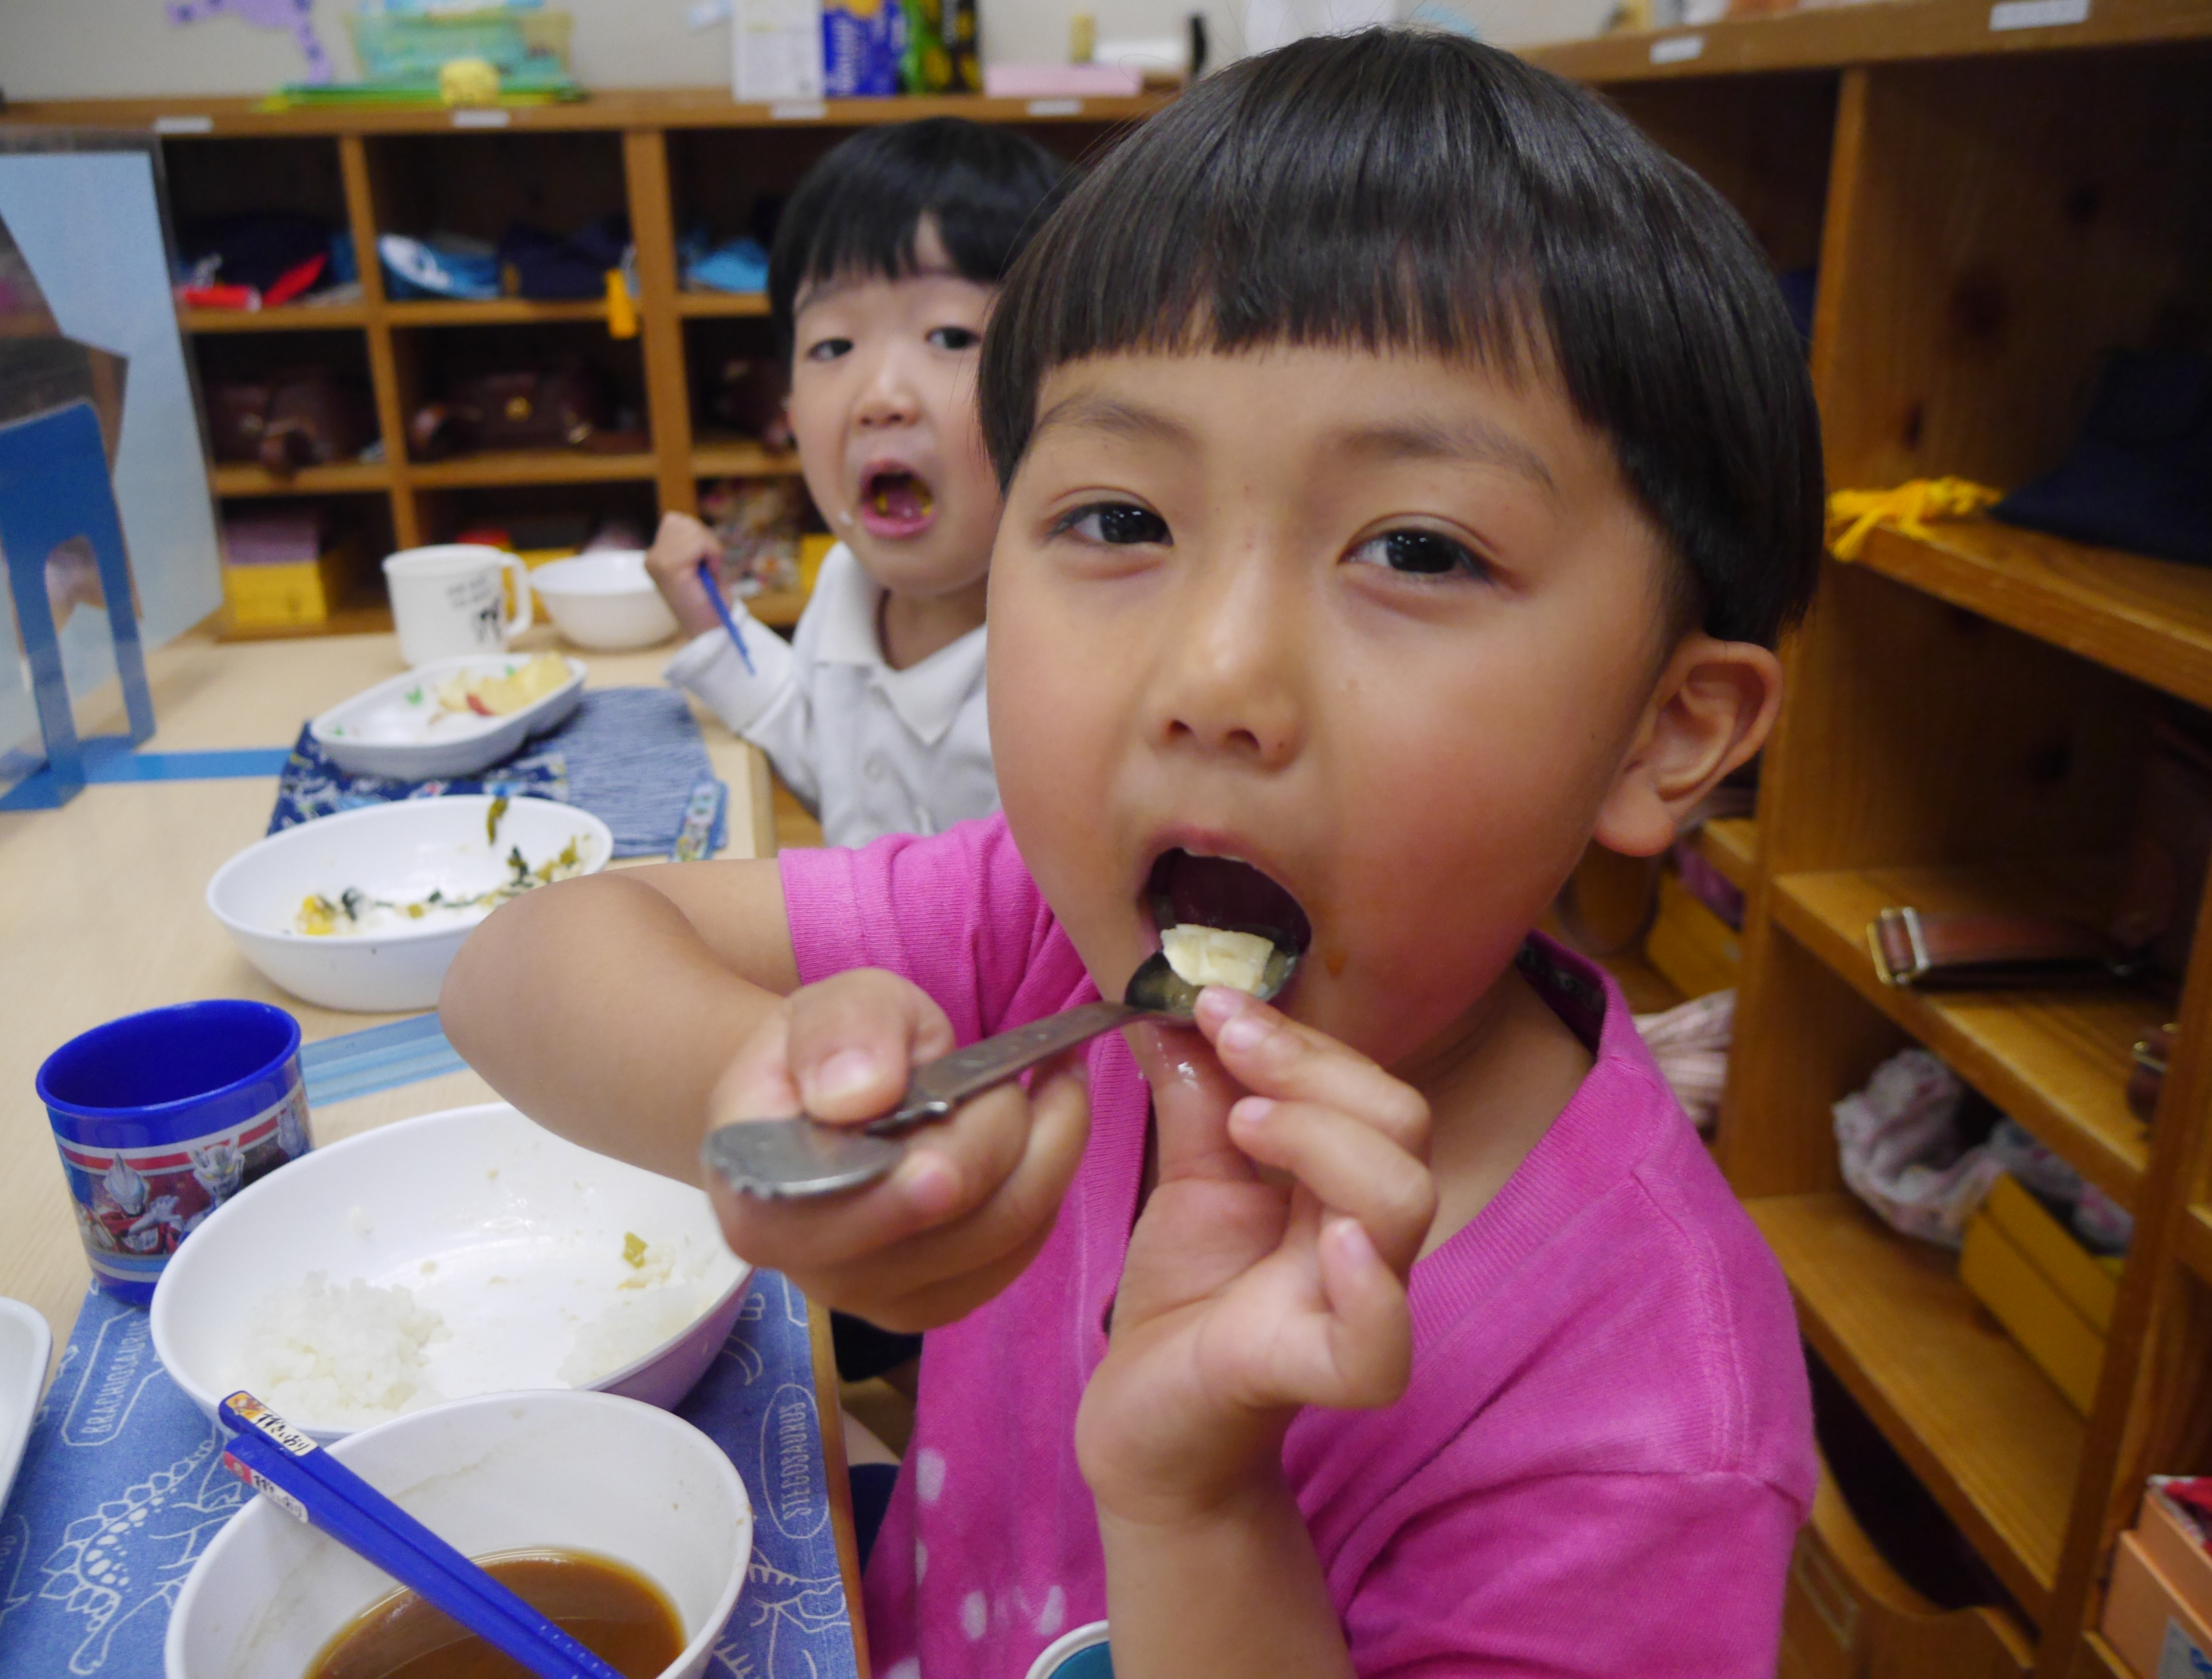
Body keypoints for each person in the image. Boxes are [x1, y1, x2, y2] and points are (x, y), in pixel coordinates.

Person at [445, 30, 1825, 1678]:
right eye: (1118, 519)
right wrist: (735, 1076)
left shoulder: (1643, 1419)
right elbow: (517, 963)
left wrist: (1196, 1504)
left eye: (1417, 547)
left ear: (1664, 729)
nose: (1214, 681)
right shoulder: (1035, 936)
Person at [646, 117, 1068, 849]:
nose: (880, 396)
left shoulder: (1070, 662)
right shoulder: (847, 586)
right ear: (789, 418)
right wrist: (713, 625)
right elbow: (828, 764)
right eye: (833, 345)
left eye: (950, 337)